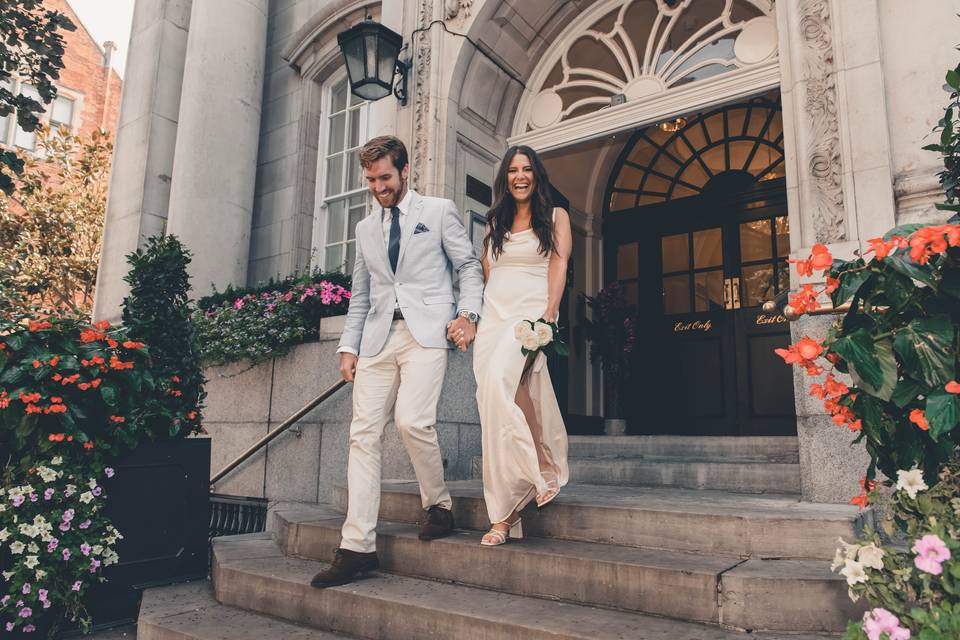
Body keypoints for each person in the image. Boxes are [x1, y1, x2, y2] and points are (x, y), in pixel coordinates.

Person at [311, 136, 483, 587]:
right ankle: (356, 547)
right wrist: (348, 347)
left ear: (404, 171)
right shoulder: (365, 229)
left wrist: (467, 315)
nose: (378, 187)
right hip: (377, 338)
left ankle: (438, 503)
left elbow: (467, 266)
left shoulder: (439, 211)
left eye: (385, 177)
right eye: (371, 180)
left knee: (412, 423)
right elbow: (362, 295)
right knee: (362, 435)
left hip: (425, 334)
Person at [472, 145, 571, 546]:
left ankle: (542, 465)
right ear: (505, 177)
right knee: (493, 406)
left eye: (527, 169)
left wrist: (551, 309)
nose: (520, 176)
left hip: (528, 316)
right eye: (513, 170)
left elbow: (559, 263)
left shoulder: (555, 216)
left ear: (537, 174)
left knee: (504, 384)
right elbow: (485, 273)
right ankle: (506, 515)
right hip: (494, 318)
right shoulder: (494, 221)